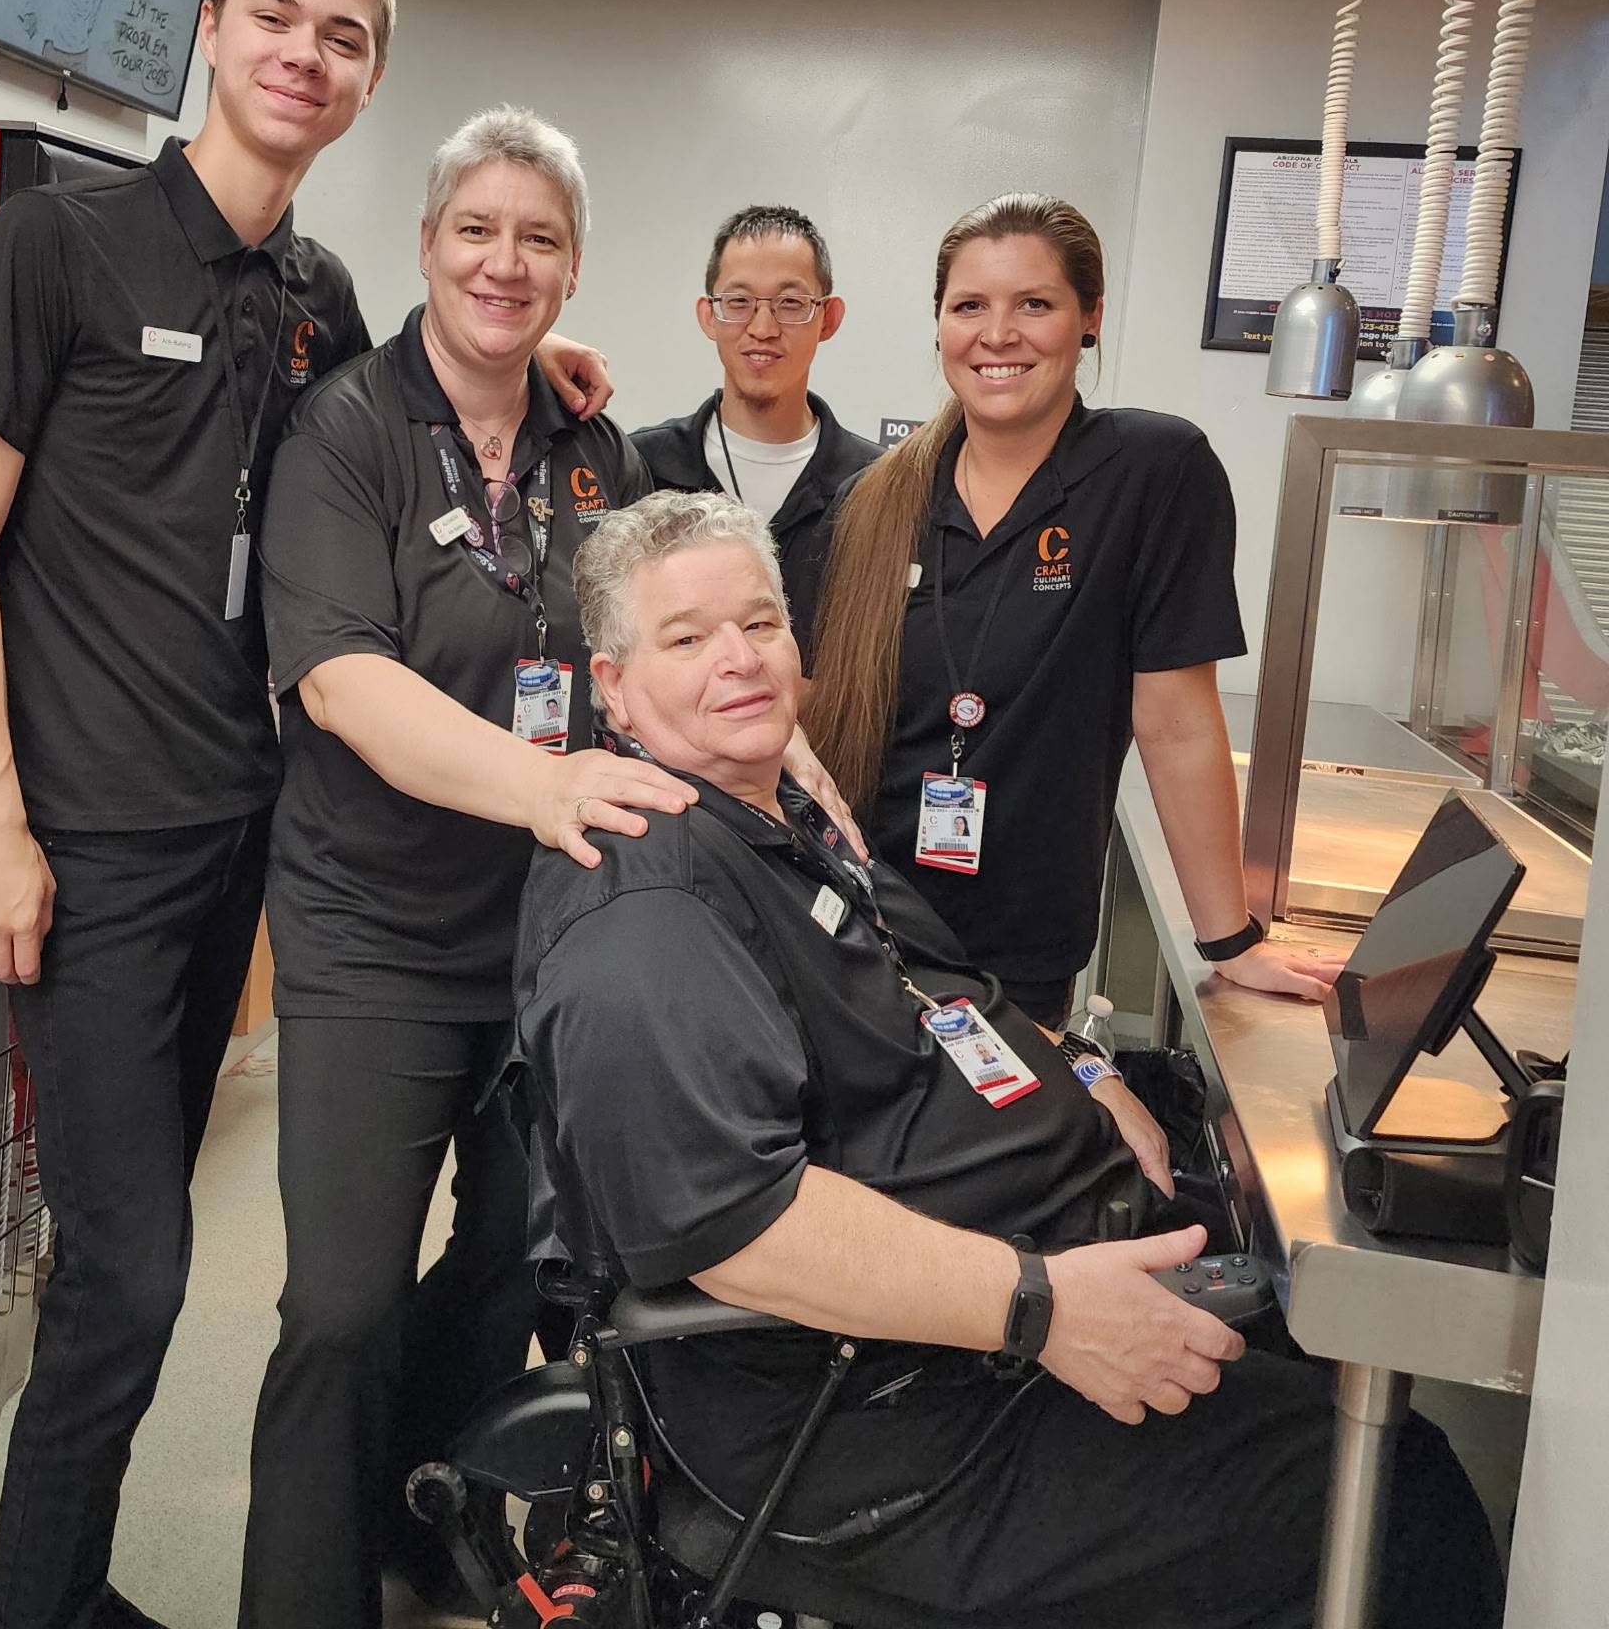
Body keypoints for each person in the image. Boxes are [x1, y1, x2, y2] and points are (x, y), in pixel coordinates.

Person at [0, 0, 610, 1629]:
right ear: (210, 28)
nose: (305, 53)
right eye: (276, 17)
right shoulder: (54, 248)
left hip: (240, 841)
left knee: (138, 1268)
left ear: (368, 80)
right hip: (81, 841)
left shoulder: (320, 299)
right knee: (132, 1275)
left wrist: (537, 367)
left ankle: (65, 1595)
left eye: (342, 35)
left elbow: (416, 417)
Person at [516, 491, 1503, 1629]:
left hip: (1008, 1298)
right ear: (612, 686)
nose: (738, 660)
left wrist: (1083, 1070)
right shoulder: (645, 906)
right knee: (1395, 1504)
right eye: (687, 639)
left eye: (759, 624)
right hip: (886, 1415)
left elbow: (943, 985)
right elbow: (736, 1224)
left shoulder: (779, 813)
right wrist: (1042, 1307)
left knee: (1325, 1348)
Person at [238, 106, 687, 1629]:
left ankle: (422, 1507)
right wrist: (544, 784)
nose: (505, 263)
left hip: (550, 935)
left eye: (539, 238)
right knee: (340, 1302)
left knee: (513, 1261)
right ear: (426, 243)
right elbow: (345, 683)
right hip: (375, 932)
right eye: (477, 230)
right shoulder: (345, 431)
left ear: (574, 267)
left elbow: (638, 652)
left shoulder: (594, 447)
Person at [803, 193, 1346, 1029]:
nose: (997, 334)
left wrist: (1230, 939)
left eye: (1035, 304)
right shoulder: (871, 502)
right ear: (940, 324)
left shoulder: (1154, 474)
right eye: (969, 306)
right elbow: (807, 712)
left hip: (1020, 951)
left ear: (1089, 318)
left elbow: (1177, 724)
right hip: (852, 931)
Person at [632, 204, 879, 651]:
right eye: (739, 302)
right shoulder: (639, 469)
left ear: (828, 318)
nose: (762, 328)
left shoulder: (876, 485)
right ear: (709, 315)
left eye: (791, 304)